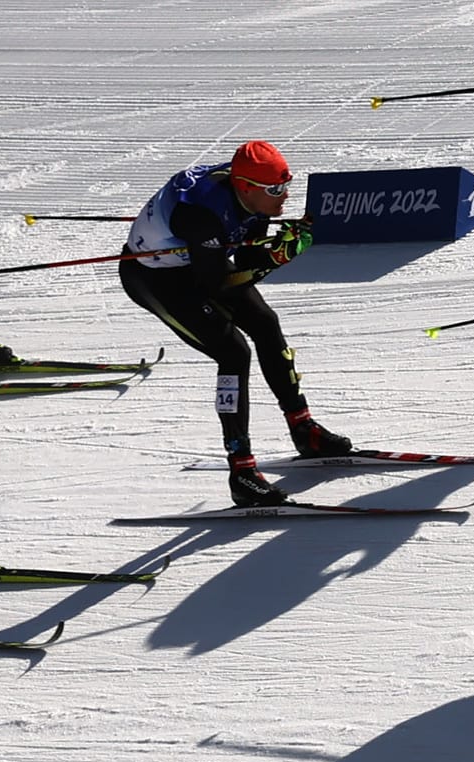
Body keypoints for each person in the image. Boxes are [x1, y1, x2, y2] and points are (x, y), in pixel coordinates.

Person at [118, 140, 351, 506]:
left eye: (287, 186)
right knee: (232, 351)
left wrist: (274, 249)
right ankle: (241, 472)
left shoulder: (251, 196)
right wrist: (275, 257)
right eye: (276, 189)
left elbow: (242, 255)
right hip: (155, 278)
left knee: (265, 323)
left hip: (200, 261)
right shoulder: (201, 214)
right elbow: (216, 284)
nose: (285, 197)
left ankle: (304, 429)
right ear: (245, 187)